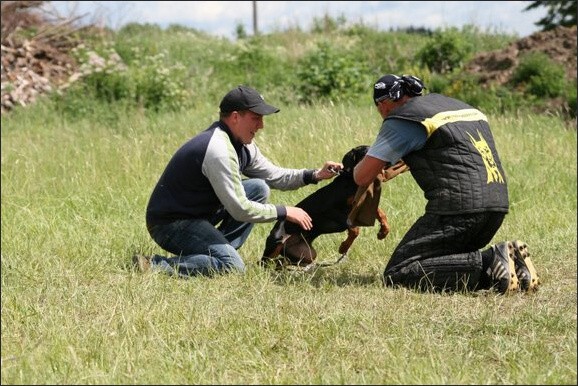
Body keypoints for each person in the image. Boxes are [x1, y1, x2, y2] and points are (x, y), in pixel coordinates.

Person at [353, 74, 541, 294]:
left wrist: (353, 167)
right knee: (440, 260)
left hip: (458, 211)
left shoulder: (404, 118)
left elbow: (362, 177)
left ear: (383, 104)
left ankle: (489, 262)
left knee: (399, 272)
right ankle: (516, 267)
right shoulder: (457, 107)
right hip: (496, 206)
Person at [133, 85, 342, 278]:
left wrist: (315, 175)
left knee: (258, 187)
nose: (261, 125)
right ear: (235, 117)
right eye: (256, 118)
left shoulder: (242, 144)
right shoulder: (219, 151)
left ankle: (221, 252)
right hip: (170, 225)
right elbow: (240, 209)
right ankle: (156, 265)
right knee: (233, 267)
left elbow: (274, 175)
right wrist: (284, 211)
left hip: (197, 217)